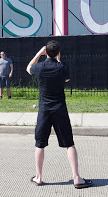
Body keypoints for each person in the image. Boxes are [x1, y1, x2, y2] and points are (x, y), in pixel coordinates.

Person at [26, 40, 92, 189]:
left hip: (44, 110)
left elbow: (28, 67)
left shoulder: (39, 68)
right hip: (60, 109)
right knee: (69, 143)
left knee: (40, 144)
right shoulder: (62, 68)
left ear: (46, 53)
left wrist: (38, 53)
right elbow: (66, 78)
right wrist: (58, 59)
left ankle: (39, 177)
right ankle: (76, 178)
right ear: (58, 53)